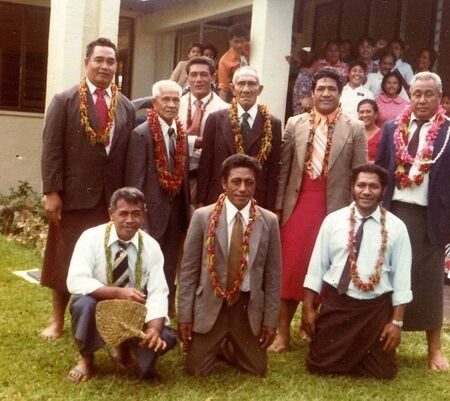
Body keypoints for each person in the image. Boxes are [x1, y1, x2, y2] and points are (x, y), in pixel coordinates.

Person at [40, 37, 136, 340]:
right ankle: (57, 321)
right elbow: (52, 149)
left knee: (105, 261)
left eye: (111, 61)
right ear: (87, 62)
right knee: (64, 258)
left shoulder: (126, 107)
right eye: (99, 60)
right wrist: (51, 192)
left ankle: (102, 321)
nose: (105, 66)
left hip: (111, 199)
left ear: (116, 66)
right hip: (74, 196)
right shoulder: (65, 101)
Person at [270, 67, 367, 352]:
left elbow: (359, 173)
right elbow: (284, 170)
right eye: (321, 89)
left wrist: (355, 214)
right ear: (312, 94)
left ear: (340, 94)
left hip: (334, 208)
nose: (326, 93)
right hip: (298, 206)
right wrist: (278, 208)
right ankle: (282, 333)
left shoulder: (355, 128)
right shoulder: (294, 124)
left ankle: (313, 326)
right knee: (290, 269)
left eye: (332, 89)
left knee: (327, 270)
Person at [302, 164, 412, 378]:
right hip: (339, 303)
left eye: (374, 186)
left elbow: (402, 280)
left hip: (375, 308)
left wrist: (396, 322)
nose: (367, 191)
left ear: (384, 190)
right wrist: (308, 307)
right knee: (319, 365)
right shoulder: (333, 221)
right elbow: (316, 267)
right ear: (352, 187)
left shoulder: (397, 227)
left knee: (382, 373)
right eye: (361, 185)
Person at [178, 154, 281, 376]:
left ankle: (229, 345)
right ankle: (217, 344)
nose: (243, 188)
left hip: (245, 305)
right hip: (211, 304)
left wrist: (271, 321)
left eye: (249, 182)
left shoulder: (268, 221)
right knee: (196, 370)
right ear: (224, 183)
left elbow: (273, 277)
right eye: (236, 181)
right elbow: (188, 271)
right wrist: (185, 316)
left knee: (256, 370)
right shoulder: (202, 217)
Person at [376, 71, 450, 371]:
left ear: (439, 97)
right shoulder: (393, 127)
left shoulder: (448, 133)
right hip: (394, 213)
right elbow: (381, 172)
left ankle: (434, 350)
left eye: (428, 94)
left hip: (430, 218)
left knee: (428, 282)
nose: (421, 99)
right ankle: (384, 341)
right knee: (389, 278)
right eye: (416, 93)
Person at [66, 187, 176, 383]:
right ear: (111, 214)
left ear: (144, 215)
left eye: (136, 214)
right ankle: (86, 358)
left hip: (134, 312)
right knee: (82, 303)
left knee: (166, 337)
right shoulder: (90, 238)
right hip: (99, 306)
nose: (129, 220)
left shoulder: (151, 246)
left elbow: (159, 292)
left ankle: (125, 350)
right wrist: (117, 293)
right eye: (123, 213)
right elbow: (75, 280)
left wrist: (153, 330)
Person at [126, 80, 190, 317]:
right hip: (151, 215)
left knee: (169, 265)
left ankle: (163, 313)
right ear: (155, 103)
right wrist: (141, 220)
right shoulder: (141, 134)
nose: (172, 105)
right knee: (145, 267)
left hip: (175, 214)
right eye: (167, 100)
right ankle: (139, 313)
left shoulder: (179, 133)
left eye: (176, 100)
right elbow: (135, 181)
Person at [197, 66, 281, 210]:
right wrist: (200, 201)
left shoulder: (273, 123)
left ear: (260, 89)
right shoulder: (216, 120)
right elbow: (205, 165)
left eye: (251, 84)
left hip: (257, 201)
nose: (246, 89)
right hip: (218, 198)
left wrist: (271, 207)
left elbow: (274, 171)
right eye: (241, 83)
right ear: (232, 88)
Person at [178, 56, 229, 204]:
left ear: (213, 78)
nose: (198, 79)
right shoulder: (175, 106)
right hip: (178, 179)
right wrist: (195, 142)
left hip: (209, 181)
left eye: (204, 74)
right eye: (193, 75)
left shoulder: (225, 110)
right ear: (187, 78)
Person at [217, 24, 250, 101]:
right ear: (230, 41)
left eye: (242, 41)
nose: (239, 45)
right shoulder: (224, 61)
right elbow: (223, 88)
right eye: (236, 41)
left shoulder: (251, 48)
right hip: (235, 95)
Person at [292, 50, 319, 116]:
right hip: (302, 118)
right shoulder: (304, 79)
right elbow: (306, 104)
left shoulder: (310, 77)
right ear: (315, 63)